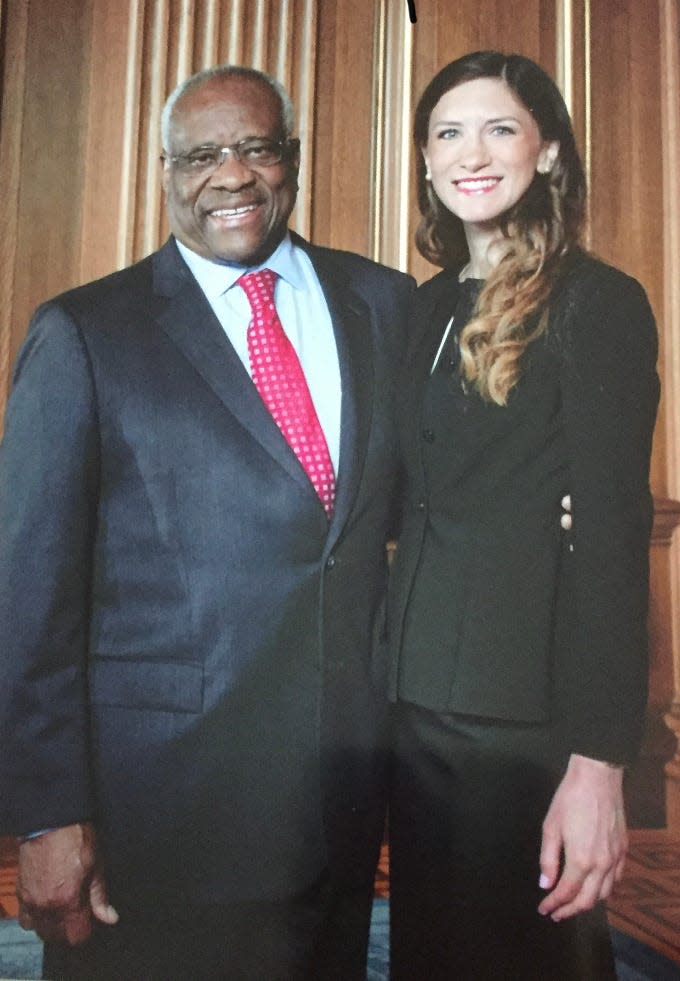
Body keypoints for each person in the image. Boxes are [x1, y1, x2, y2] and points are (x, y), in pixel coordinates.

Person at [0, 65, 414, 981]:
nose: (230, 175)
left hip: (342, 808)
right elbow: (29, 597)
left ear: (292, 161)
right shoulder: (84, 333)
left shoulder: (384, 306)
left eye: (255, 147)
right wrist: (45, 813)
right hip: (162, 821)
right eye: (200, 155)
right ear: (164, 172)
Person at [386, 50, 659, 980]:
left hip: (525, 718)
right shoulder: (418, 311)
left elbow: (617, 544)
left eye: (500, 128)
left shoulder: (597, 304)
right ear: (423, 160)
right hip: (411, 702)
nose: (473, 151)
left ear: (546, 152)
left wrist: (599, 761)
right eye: (448, 132)